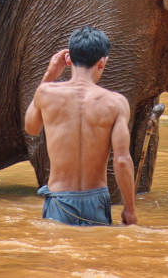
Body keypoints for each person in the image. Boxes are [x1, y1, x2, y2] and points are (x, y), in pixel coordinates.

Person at [24, 26, 137, 226]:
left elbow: (31, 128)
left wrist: (49, 75)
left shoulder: (46, 93)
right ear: (102, 62)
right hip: (97, 202)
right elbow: (121, 160)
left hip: (60, 203)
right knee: (95, 256)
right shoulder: (116, 103)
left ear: (68, 60)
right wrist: (130, 209)